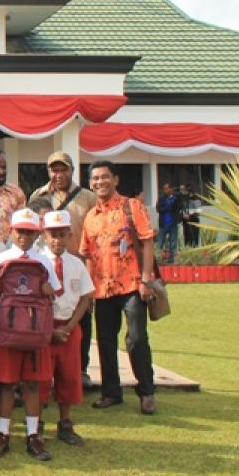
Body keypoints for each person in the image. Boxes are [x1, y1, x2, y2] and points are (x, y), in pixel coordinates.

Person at [80, 161, 159, 416]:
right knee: (105, 342)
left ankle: (147, 392)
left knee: (136, 339)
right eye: (94, 179)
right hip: (103, 289)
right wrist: (89, 291)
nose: (99, 182)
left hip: (132, 285)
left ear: (115, 180)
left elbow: (147, 242)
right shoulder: (91, 217)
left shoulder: (131, 207)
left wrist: (146, 278)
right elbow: (89, 255)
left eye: (104, 177)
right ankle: (111, 393)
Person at [0, 208, 59, 463]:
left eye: (29, 232)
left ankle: (33, 434)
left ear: (36, 234)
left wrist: (48, 290)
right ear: (11, 231)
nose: (24, 236)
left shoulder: (44, 261)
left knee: (33, 384)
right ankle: (3, 433)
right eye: (19, 231)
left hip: (35, 332)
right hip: (8, 331)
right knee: (6, 384)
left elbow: (54, 295)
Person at [29, 151, 97, 384]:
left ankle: (81, 369)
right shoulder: (38, 195)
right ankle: (44, 371)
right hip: (46, 262)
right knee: (48, 312)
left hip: (76, 262)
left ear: (71, 170)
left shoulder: (87, 197)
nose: (58, 174)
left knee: (81, 318)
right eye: (54, 170)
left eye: (63, 169)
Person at [40, 210, 94, 446]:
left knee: (69, 376)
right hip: (44, 329)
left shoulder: (76, 264)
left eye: (62, 235)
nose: (57, 240)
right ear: (44, 235)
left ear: (70, 235)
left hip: (69, 328)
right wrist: (49, 330)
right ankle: (37, 423)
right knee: (40, 378)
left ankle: (65, 422)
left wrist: (70, 326)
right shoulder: (38, 262)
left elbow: (85, 298)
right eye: (53, 235)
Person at [155, 182, 180, 264]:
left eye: (166, 188)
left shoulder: (176, 198)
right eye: (164, 188)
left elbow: (177, 209)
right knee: (160, 243)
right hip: (163, 224)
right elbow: (158, 209)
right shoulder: (161, 198)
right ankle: (158, 259)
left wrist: (167, 208)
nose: (165, 190)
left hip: (172, 224)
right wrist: (167, 208)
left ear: (170, 189)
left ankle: (171, 260)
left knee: (172, 243)